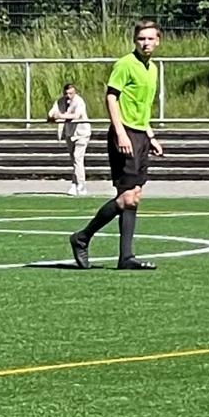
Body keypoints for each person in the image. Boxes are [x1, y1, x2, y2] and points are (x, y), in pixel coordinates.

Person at [68, 20, 165, 271]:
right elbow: (111, 98)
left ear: (158, 41)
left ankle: (125, 258)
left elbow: (143, 107)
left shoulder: (153, 69)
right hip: (125, 133)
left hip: (141, 135)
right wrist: (120, 133)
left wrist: (151, 136)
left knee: (134, 196)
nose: (145, 43)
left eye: (150, 38)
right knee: (127, 197)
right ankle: (82, 237)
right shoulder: (125, 64)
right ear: (135, 41)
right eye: (141, 38)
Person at [47, 81, 92, 195]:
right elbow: (52, 113)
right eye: (66, 94)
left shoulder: (79, 101)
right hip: (69, 133)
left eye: (71, 93)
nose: (68, 96)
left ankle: (81, 185)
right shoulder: (60, 102)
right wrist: (52, 116)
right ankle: (75, 183)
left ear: (75, 93)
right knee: (74, 160)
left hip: (81, 133)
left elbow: (76, 116)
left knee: (78, 157)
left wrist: (60, 116)